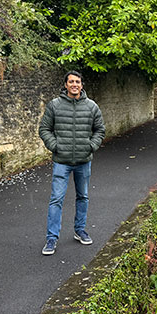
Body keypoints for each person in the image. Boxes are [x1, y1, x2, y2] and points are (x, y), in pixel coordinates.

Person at [38, 71, 106, 256]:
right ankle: (51, 238)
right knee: (56, 199)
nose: (74, 84)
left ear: (82, 85)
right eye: (71, 82)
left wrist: (91, 146)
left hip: (83, 161)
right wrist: (55, 146)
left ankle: (80, 230)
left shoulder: (91, 106)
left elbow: (100, 129)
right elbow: (44, 129)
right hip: (62, 161)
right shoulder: (55, 105)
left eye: (77, 81)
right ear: (66, 85)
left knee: (83, 196)